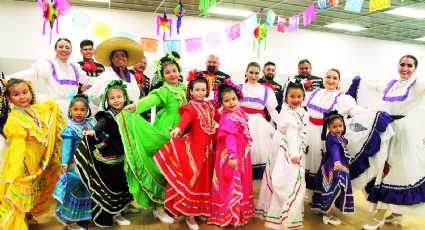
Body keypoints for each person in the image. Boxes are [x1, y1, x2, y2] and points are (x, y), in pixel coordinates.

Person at [345, 55, 425, 229]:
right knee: (384, 166)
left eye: (409, 65)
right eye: (402, 64)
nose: (405, 68)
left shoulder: (418, 84)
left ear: (415, 68)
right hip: (389, 127)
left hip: (404, 131)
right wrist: (360, 82)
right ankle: (396, 212)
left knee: (397, 168)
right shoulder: (392, 84)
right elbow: (374, 87)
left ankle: (381, 214)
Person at [304, 68, 393, 204]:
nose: (331, 80)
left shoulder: (342, 98)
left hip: (326, 137)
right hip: (309, 133)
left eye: (334, 78)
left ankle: (323, 200)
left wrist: (373, 112)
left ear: (339, 81)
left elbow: (355, 111)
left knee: (323, 167)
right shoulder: (316, 92)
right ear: (324, 78)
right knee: (308, 164)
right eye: (328, 77)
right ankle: (311, 196)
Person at [121, 51, 187, 224]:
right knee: (162, 169)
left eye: (174, 70)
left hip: (184, 131)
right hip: (168, 131)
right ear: (162, 76)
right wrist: (136, 105)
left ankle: (174, 204)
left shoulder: (183, 88)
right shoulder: (164, 90)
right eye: (167, 72)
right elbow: (151, 99)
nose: (172, 74)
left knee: (178, 170)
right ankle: (158, 207)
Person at [154, 71, 221, 230]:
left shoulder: (210, 106)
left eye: (203, 90)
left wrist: (234, 119)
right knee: (193, 178)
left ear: (207, 90)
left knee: (207, 178)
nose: (200, 93)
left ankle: (201, 209)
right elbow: (184, 120)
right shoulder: (190, 107)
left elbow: (220, 119)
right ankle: (189, 215)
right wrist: (178, 128)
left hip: (210, 149)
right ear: (190, 91)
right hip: (195, 149)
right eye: (197, 90)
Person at [0, 79, 65, 230]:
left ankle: (29, 214)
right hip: (23, 161)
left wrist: (53, 106)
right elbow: (17, 147)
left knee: (34, 188)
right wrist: (14, 171)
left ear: (31, 92)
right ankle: (19, 220)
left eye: (25, 92)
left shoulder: (35, 109)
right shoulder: (15, 119)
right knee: (21, 188)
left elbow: (47, 111)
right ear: (9, 99)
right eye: (16, 94)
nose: (22, 97)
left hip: (38, 159)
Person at [76, 80, 139, 227]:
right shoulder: (108, 115)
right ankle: (115, 213)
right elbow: (101, 125)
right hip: (112, 153)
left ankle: (125, 206)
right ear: (107, 100)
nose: (116, 100)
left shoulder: (129, 113)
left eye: (119, 97)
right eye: (112, 98)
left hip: (126, 152)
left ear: (125, 98)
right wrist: (93, 131)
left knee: (125, 181)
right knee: (114, 183)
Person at [255, 79, 308, 229]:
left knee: (284, 176)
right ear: (285, 97)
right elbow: (291, 135)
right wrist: (294, 154)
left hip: (292, 147)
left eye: (299, 96)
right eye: (292, 96)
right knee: (285, 177)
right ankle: (282, 211)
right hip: (287, 149)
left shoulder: (300, 111)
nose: (296, 100)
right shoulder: (288, 113)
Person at [208, 80, 254, 227]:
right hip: (230, 154)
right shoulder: (227, 118)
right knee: (230, 182)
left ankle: (239, 212)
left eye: (233, 99)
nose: (231, 103)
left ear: (238, 97)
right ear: (221, 103)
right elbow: (230, 138)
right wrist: (233, 156)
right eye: (226, 101)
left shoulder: (239, 112)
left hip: (241, 152)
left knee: (241, 180)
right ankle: (228, 214)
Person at [10, 38, 96, 116]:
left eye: (67, 47)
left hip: (73, 108)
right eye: (60, 47)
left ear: (71, 50)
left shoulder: (74, 66)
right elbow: (31, 73)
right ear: (55, 49)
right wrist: (8, 78)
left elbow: (87, 80)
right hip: (55, 107)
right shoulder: (49, 65)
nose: (64, 49)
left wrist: (106, 79)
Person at [53, 93, 94, 230]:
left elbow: (100, 137)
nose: (79, 113)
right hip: (75, 164)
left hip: (90, 163)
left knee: (89, 189)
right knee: (74, 189)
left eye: (83, 110)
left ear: (87, 111)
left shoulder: (90, 123)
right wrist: (64, 163)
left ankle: (85, 216)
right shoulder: (70, 129)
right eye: (76, 109)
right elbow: (66, 147)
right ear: (70, 110)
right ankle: (71, 221)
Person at [311, 111, 353, 225]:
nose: (338, 129)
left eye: (340, 126)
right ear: (328, 127)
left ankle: (323, 208)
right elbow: (335, 151)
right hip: (333, 166)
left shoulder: (336, 137)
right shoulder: (334, 140)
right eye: (335, 127)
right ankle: (327, 214)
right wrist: (337, 162)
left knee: (329, 187)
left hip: (330, 165)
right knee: (333, 188)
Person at [239, 62, 278, 179]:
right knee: (242, 148)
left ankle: (255, 181)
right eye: (251, 72)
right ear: (246, 72)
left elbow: (272, 109)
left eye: (256, 73)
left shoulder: (266, 90)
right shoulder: (238, 87)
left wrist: (281, 124)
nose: (253, 75)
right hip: (241, 120)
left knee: (258, 149)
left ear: (260, 74)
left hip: (258, 123)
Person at [84, 37, 142, 113]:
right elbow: (92, 98)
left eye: (123, 55)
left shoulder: (132, 77)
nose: (120, 58)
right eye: (116, 56)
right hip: (111, 120)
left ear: (127, 58)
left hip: (129, 119)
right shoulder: (105, 76)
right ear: (112, 58)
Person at [129, 56, 151, 121]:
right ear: (134, 63)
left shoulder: (147, 79)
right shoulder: (128, 74)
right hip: (130, 107)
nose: (142, 65)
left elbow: (148, 96)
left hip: (142, 109)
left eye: (145, 63)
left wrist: (148, 114)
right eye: (140, 62)